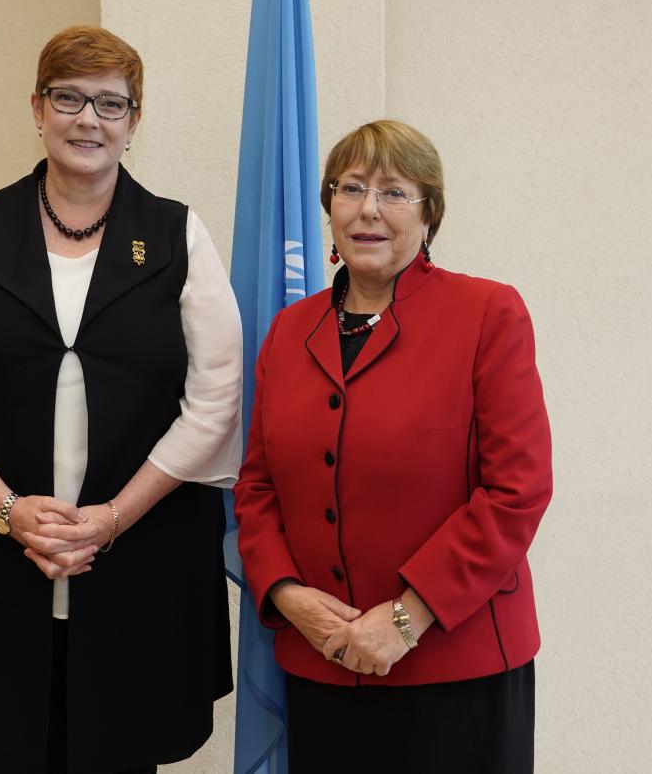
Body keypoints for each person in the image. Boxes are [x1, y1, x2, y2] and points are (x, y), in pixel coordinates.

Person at [0, 26, 242, 774]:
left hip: (138, 567)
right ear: (38, 108)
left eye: (111, 104)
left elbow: (215, 403)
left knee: (118, 752)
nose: (89, 119)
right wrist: (8, 510)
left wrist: (111, 519)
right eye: (70, 98)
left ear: (134, 121)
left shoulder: (179, 235)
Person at [234, 120, 552, 772]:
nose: (368, 209)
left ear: (430, 213)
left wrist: (406, 620)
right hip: (324, 661)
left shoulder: (488, 314)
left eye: (394, 192)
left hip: (455, 670)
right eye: (350, 188)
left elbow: (515, 492)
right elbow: (258, 486)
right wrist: (286, 593)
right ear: (329, 208)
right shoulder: (290, 332)